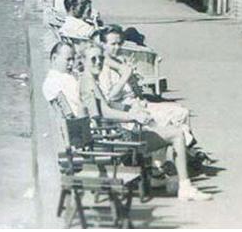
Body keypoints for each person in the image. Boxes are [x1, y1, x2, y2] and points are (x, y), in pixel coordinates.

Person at [75, 43, 210, 201]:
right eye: (93, 59)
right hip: (118, 141)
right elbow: (104, 113)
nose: (98, 61)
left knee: (170, 128)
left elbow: (107, 106)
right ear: (83, 60)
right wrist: (134, 116)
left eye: (101, 58)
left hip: (112, 136)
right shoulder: (89, 83)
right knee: (176, 133)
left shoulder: (88, 80)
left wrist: (130, 108)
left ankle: (169, 176)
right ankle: (183, 186)